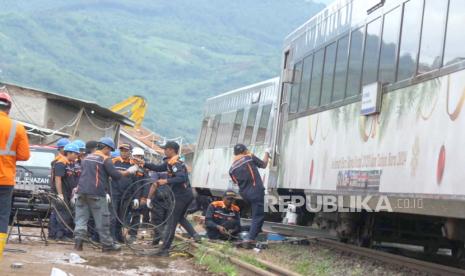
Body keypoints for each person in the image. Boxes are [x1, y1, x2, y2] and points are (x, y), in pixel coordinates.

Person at [73, 137, 138, 252]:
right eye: (110, 150)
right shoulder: (105, 159)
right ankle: (107, 245)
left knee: (81, 220)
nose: (110, 152)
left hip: (81, 192)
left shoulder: (87, 158)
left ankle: (78, 244)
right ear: (106, 148)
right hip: (96, 193)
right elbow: (116, 176)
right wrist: (129, 171)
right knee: (103, 220)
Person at [144, 141, 199, 256]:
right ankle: (195, 235)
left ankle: (164, 250)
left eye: (166, 149)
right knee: (179, 218)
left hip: (182, 195)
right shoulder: (169, 162)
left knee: (171, 221)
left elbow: (182, 177)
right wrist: (143, 163)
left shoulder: (176, 163)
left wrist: (166, 181)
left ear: (172, 150)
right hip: (185, 194)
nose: (164, 151)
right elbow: (157, 168)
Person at [0, 92, 30, 260]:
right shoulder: (16, 127)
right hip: (4, 179)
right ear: (9, 109)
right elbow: (25, 155)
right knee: (2, 216)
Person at [229, 144, 270, 246]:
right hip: (255, 191)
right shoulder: (248, 157)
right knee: (258, 215)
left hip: (244, 194)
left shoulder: (231, 169)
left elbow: (235, 182)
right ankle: (250, 238)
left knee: (255, 212)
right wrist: (267, 152)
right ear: (244, 151)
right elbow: (264, 164)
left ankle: (257, 231)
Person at [50, 143, 80, 241]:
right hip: (60, 193)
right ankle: (60, 235)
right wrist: (60, 194)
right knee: (63, 214)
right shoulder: (61, 163)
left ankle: (58, 234)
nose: (76, 156)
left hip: (68, 193)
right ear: (69, 153)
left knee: (64, 213)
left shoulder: (70, 163)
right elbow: (58, 179)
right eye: (75, 154)